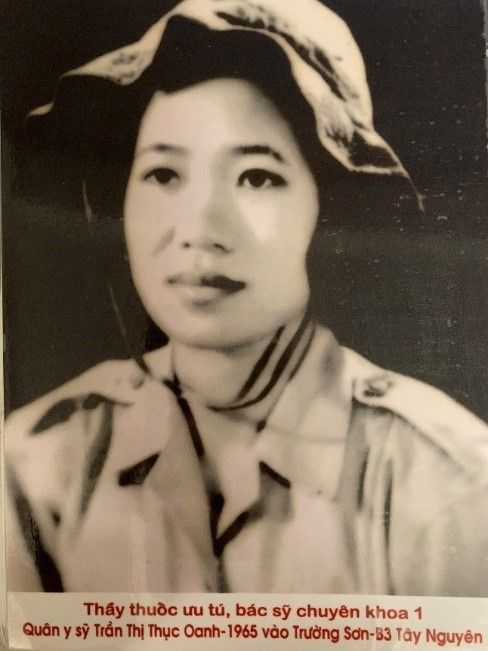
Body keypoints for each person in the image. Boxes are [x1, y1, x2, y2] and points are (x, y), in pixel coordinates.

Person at [4, 0, 488, 595]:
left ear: (329, 214)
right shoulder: (40, 464)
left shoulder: (445, 482)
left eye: (257, 177)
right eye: (163, 174)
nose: (199, 229)